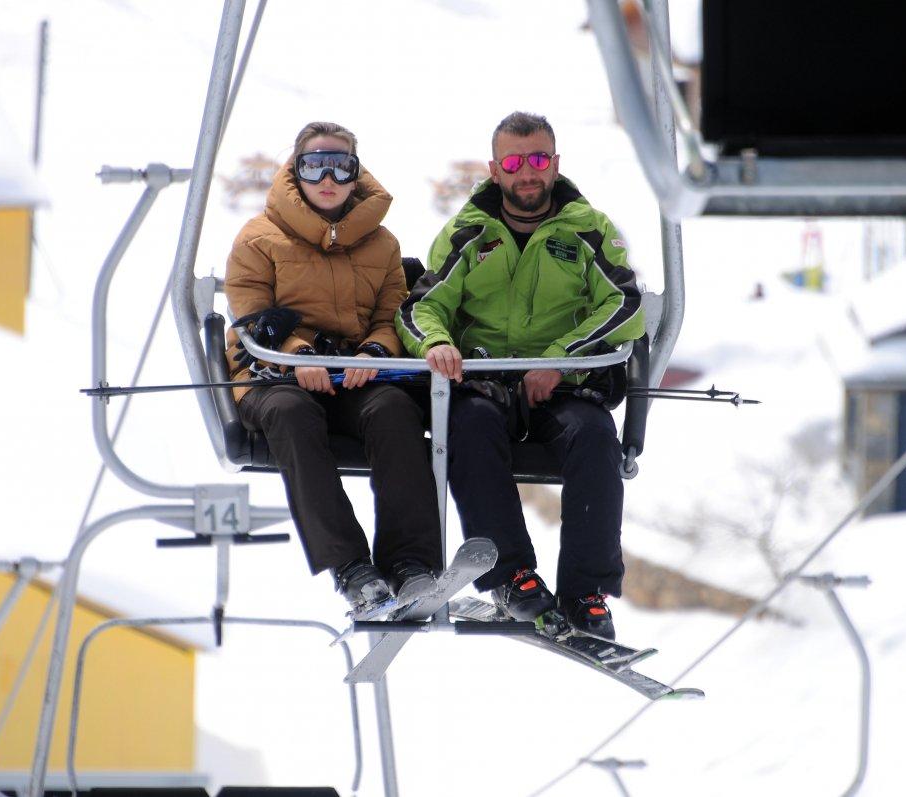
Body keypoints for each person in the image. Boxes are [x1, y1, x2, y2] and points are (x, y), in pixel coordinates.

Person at [396, 111, 644, 640]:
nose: (526, 173)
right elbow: (420, 305)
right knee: (470, 426)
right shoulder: (469, 231)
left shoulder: (586, 230)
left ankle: (585, 590)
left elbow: (624, 303)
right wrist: (438, 342)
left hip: (562, 385)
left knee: (595, 436)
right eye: (513, 162)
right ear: (494, 169)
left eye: (537, 160)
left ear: (554, 164)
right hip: (485, 380)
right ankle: (511, 577)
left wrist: (558, 358)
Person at [226, 121, 441, 614]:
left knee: (393, 411)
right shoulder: (259, 237)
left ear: (356, 173)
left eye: (341, 167)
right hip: (274, 374)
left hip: (352, 375)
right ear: (295, 172)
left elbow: (394, 316)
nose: (328, 178)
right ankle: (351, 569)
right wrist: (299, 354)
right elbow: (250, 314)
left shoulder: (381, 244)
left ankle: (411, 563)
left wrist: (375, 353)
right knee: (291, 416)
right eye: (314, 165)